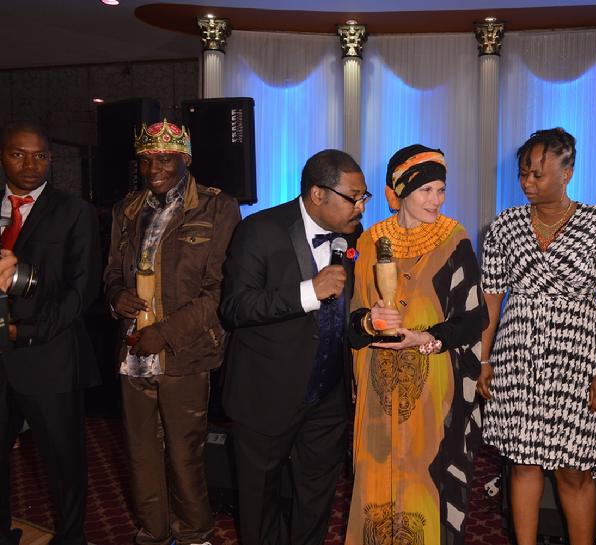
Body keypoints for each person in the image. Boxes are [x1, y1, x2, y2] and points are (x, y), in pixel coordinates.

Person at [478, 128, 596, 545]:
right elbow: (491, 300)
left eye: (538, 175)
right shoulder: (504, 227)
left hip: (578, 358)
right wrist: (484, 360)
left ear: (568, 173)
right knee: (522, 463)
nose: (527, 183)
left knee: (574, 469)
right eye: (523, 173)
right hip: (517, 354)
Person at [220, 149, 368, 545]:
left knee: (317, 497)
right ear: (318, 194)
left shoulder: (358, 236)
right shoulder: (259, 229)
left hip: (329, 395)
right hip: (265, 393)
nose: (361, 206)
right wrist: (309, 292)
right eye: (354, 197)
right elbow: (235, 307)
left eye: (364, 198)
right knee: (259, 500)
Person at [103, 120, 240, 545]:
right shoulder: (126, 210)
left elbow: (220, 291)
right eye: (146, 161)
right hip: (133, 353)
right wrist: (116, 297)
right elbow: (110, 273)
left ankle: (195, 535)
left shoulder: (217, 207)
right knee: (142, 457)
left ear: (186, 159)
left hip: (185, 354)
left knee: (184, 458)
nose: (154, 169)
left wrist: (164, 333)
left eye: (165, 158)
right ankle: (153, 535)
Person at [344, 144, 488, 545]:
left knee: (425, 480)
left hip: (432, 389)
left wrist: (428, 336)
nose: (436, 200)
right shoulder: (369, 241)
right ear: (401, 191)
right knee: (375, 478)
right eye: (426, 191)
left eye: (441, 190)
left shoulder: (454, 239)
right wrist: (371, 322)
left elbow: (476, 318)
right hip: (377, 390)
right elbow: (353, 327)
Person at [0, 122, 101, 545]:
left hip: (48, 357)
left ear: (51, 161)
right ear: (3, 155)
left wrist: (26, 331)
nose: (30, 164)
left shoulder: (74, 211)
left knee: (63, 462)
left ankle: (71, 538)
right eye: (19, 154)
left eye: (40, 156)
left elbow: (83, 290)